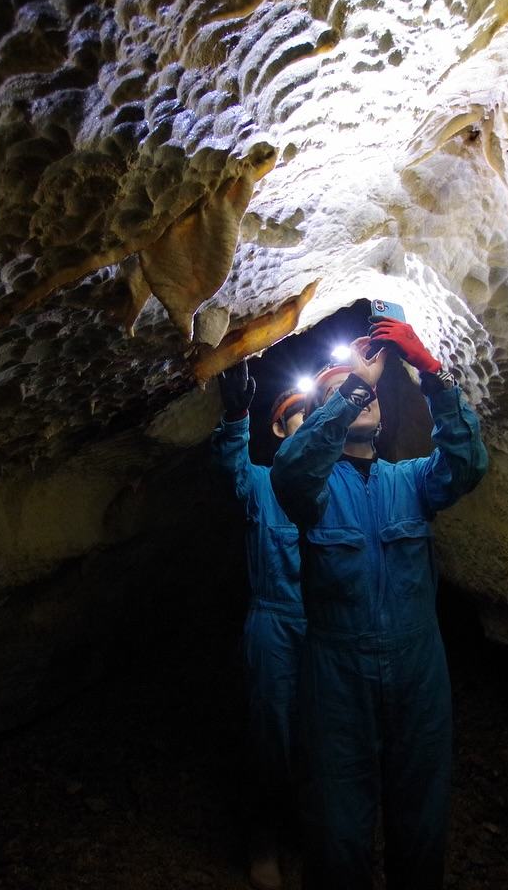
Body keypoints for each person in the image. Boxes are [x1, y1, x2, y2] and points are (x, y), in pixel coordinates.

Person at [270, 319, 488, 890]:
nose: (360, 393)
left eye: (367, 390)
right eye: (342, 390)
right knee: (339, 829)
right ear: (330, 414)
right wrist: (353, 388)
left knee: (421, 818)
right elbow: (292, 470)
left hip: (418, 667)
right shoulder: (312, 492)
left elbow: (468, 465)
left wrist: (436, 379)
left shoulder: (413, 481)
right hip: (337, 674)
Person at [211, 359, 309, 890]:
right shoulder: (264, 484)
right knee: (270, 732)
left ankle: (311, 830)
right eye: (297, 414)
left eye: (316, 415)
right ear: (277, 427)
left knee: (324, 733)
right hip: (274, 622)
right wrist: (235, 415)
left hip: (328, 626)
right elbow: (230, 469)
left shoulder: (338, 489)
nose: (308, 422)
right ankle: (264, 841)